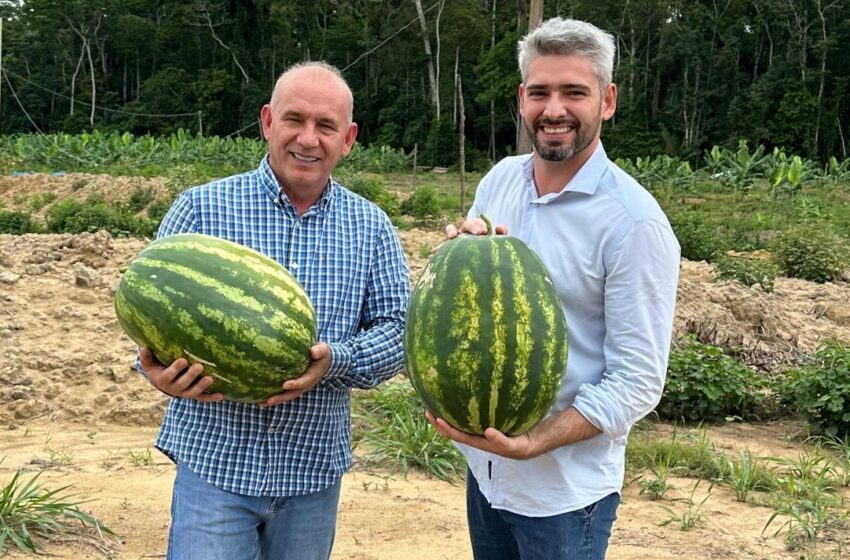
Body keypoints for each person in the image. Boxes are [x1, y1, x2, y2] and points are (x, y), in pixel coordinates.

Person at [428, 17, 681, 560]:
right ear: (522, 98)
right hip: (488, 476)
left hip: (565, 496)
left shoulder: (633, 222)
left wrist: (536, 442)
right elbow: (469, 305)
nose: (554, 110)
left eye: (575, 92)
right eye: (540, 92)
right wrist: (458, 253)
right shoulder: (500, 180)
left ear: (607, 100)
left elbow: (637, 381)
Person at [135, 61, 410, 560]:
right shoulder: (200, 209)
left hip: (312, 474)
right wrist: (155, 371)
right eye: (294, 120)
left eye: (325, 126)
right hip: (215, 467)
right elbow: (152, 309)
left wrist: (335, 361)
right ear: (266, 122)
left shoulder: (372, 227)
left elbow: (398, 331)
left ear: (347, 139)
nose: (308, 139)